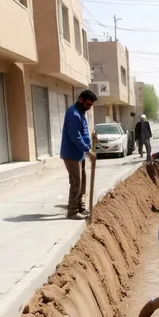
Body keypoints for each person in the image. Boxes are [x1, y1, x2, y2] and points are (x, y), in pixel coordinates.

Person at [60, 89, 97, 220]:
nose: (89, 107)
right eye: (88, 104)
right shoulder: (73, 113)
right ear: (80, 100)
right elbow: (75, 136)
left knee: (82, 181)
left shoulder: (81, 113)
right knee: (76, 182)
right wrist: (87, 150)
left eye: (91, 105)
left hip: (80, 153)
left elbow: (83, 132)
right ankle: (72, 211)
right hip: (72, 153)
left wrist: (90, 141)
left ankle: (80, 206)